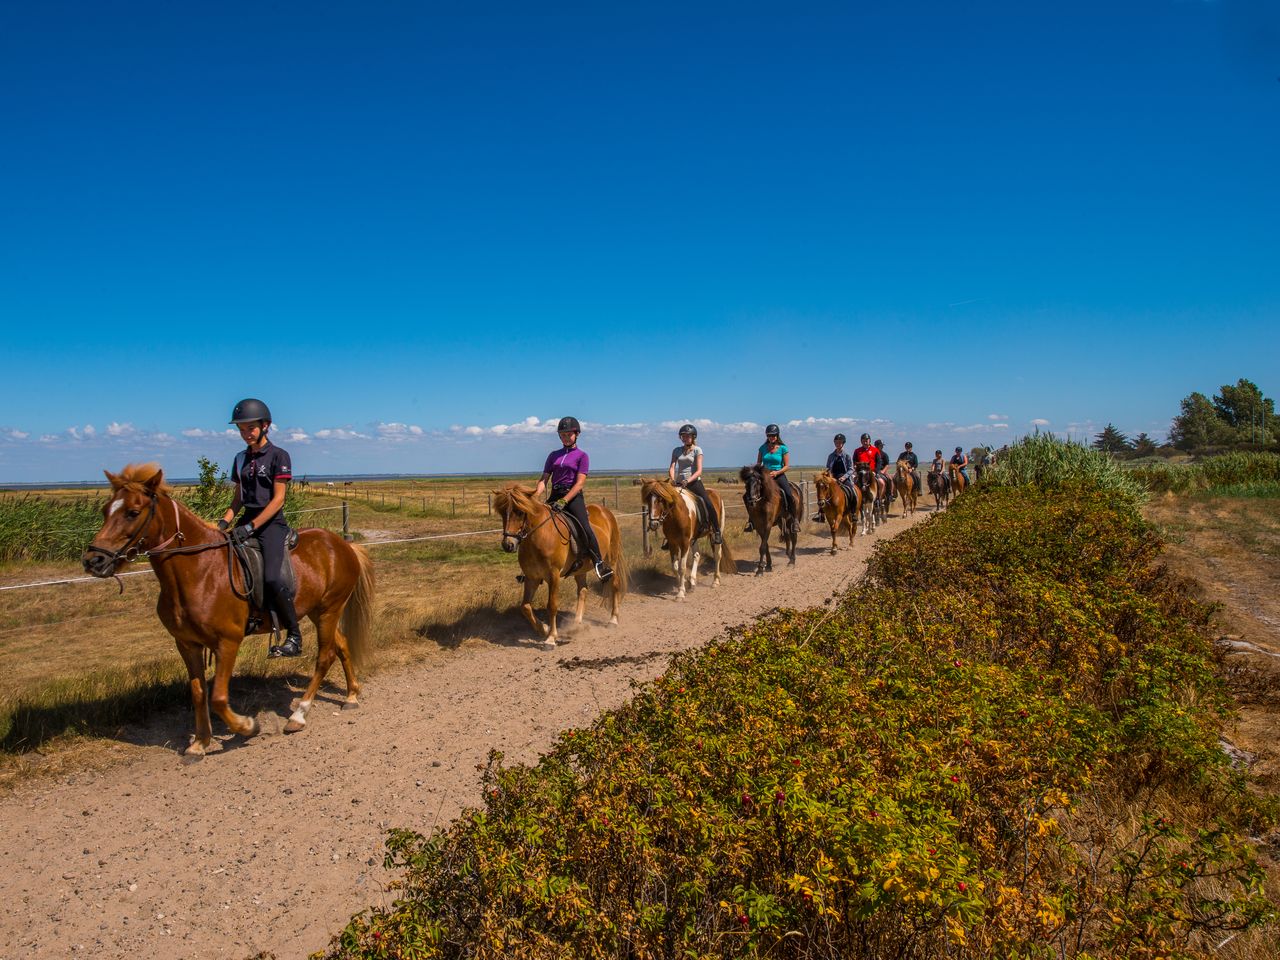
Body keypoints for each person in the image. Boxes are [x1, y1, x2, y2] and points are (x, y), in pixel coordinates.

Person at [221, 398, 303, 658]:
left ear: (265, 426)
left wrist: (252, 526)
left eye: (251, 429)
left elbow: (278, 499)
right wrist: (223, 523)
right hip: (245, 520)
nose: (246, 434)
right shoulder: (239, 459)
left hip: (271, 525)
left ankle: (294, 635)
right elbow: (237, 498)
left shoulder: (279, 456)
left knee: (270, 577)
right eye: (242, 430)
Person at [533, 416, 613, 582]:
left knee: (584, 526)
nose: (565, 437)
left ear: (576, 435)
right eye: (562, 434)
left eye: (569, 434)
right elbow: (544, 479)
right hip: (555, 494)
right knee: (535, 524)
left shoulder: (582, 456)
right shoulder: (553, 455)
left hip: (573, 496)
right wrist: (535, 496)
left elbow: (579, 484)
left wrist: (564, 501)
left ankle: (598, 562)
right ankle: (533, 567)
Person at [668, 424, 722, 545]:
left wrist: (688, 480)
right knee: (667, 505)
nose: (685, 438)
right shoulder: (676, 450)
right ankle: (669, 535)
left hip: (693, 483)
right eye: (683, 436)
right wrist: (672, 479)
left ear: (693, 437)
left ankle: (716, 530)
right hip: (678, 484)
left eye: (688, 436)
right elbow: (672, 467)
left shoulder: (698, 450)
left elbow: (699, 470)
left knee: (707, 502)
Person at [755, 423, 796, 518]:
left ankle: (794, 519)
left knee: (789, 494)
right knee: (752, 493)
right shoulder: (762, 448)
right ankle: (751, 520)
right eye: (769, 435)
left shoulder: (783, 448)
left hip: (778, 474)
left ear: (777, 435)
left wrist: (776, 472)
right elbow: (758, 463)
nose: (771, 437)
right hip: (765, 475)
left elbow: (786, 466)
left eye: (773, 435)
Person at [815, 433, 855, 521]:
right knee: (822, 492)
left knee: (852, 491)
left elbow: (851, 469)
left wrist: (844, 477)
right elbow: (828, 468)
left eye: (840, 442)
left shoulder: (847, 455)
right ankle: (821, 513)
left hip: (844, 478)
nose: (838, 444)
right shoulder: (831, 456)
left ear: (843, 443)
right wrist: (826, 475)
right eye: (836, 442)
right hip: (832, 478)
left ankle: (853, 512)